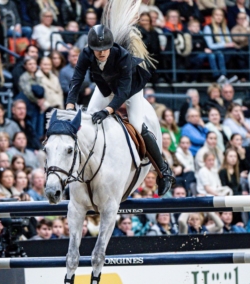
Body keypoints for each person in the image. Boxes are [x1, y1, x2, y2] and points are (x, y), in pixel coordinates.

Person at [65, 23, 174, 194]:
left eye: (105, 49)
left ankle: (164, 171)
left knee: (137, 124)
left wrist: (108, 110)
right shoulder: (86, 54)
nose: (101, 52)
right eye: (97, 49)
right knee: (88, 119)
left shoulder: (122, 56)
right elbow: (77, 79)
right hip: (106, 88)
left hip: (130, 90)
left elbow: (123, 92)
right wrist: (70, 104)